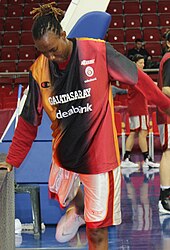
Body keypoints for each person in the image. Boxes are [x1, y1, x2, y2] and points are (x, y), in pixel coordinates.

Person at [1, 2, 170, 249]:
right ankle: (80, 208)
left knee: (97, 231)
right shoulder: (39, 71)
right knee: (57, 189)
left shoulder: (98, 52)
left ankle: (87, 216)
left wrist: (165, 105)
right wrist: (12, 160)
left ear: (62, 34)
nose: (50, 56)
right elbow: (28, 122)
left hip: (99, 158)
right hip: (65, 156)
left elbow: (137, 78)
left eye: (53, 49)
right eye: (43, 52)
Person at [121, 54, 159, 169]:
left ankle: (126, 158)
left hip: (135, 107)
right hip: (139, 108)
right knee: (143, 132)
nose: (143, 65)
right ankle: (147, 159)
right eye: (141, 63)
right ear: (134, 63)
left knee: (134, 132)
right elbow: (148, 87)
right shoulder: (137, 75)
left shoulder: (132, 74)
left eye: (143, 63)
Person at [156, 30, 170, 214]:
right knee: (168, 153)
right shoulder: (169, 59)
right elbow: (166, 89)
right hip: (168, 114)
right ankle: (165, 198)